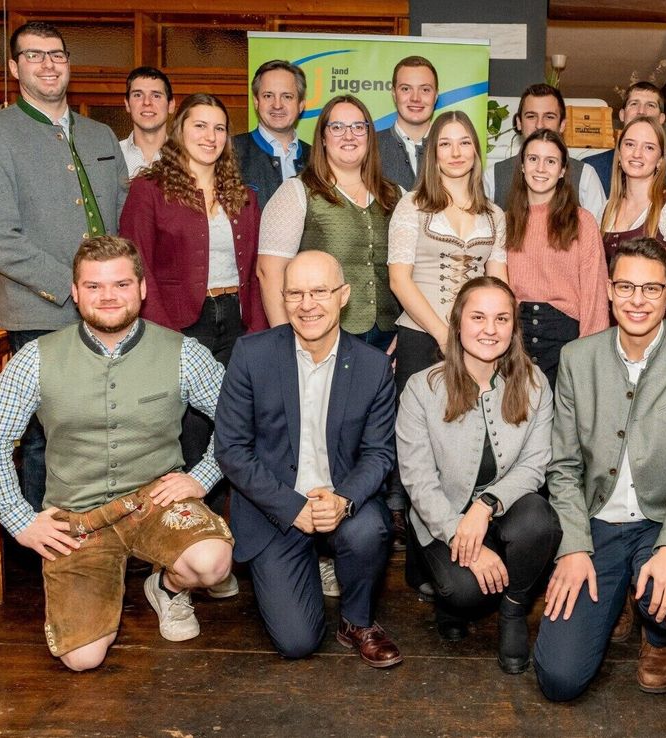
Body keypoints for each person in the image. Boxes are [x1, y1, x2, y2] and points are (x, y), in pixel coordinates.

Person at [0, 236, 233, 671]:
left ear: (142, 289)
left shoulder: (183, 352)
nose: (108, 296)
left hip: (156, 501)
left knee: (212, 562)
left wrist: (202, 475)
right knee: (82, 659)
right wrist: (21, 521)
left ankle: (167, 587)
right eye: (93, 286)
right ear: (75, 293)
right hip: (76, 516)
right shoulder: (36, 358)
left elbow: (240, 421)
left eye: (121, 284)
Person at [533, 237, 666, 701]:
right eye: (625, 287)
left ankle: (658, 637)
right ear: (607, 289)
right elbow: (561, 465)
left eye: (650, 289)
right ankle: (617, 588)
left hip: (660, 520)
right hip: (596, 522)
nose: (637, 301)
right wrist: (574, 546)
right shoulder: (577, 358)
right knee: (559, 680)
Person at [0, 21, 128, 512]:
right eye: (34, 55)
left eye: (56, 54)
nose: (48, 64)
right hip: (42, 312)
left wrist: (118, 290)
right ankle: (44, 556)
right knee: (45, 441)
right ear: (15, 68)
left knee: (110, 433)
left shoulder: (101, 134)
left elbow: (123, 219)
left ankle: (108, 538)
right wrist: (75, 288)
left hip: (114, 312)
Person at [214, 251, 403, 665]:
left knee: (368, 529)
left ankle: (356, 621)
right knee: (297, 643)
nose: (307, 304)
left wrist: (342, 499)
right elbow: (230, 449)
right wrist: (291, 505)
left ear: (343, 296)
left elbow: (378, 453)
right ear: (282, 299)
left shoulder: (372, 367)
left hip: (342, 503)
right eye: (295, 293)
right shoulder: (252, 355)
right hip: (274, 509)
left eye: (320, 291)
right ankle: (310, 565)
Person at [120, 94, 267, 566]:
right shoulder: (149, 189)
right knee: (187, 434)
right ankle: (183, 548)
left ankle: (222, 541)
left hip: (237, 319)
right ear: (180, 130)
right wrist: (165, 336)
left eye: (220, 128)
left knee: (236, 428)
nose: (210, 136)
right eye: (200, 125)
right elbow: (135, 261)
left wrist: (259, 332)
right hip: (181, 321)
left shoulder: (243, 195)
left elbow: (256, 271)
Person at [397, 277, 562, 673]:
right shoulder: (422, 388)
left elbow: (536, 462)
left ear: (513, 328)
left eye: (502, 318)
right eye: (478, 317)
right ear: (457, 324)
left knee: (542, 522)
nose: (490, 329)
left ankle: (513, 610)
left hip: (500, 510)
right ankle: (446, 597)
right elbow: (417, 479)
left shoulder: (535, 383)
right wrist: (457, 529)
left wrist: (485, 506)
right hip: (443, 515)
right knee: (464, 593)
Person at [388, 110, 508, 573]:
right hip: (423, 337)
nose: (455, 153)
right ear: (432, 153)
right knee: (424, 453)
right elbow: (400, 279)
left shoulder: (493, 214)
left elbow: (498, 284)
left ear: (476, 152)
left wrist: (488, 333)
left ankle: (474, 544)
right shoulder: (412, 205)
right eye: (445, 144)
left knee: (469, 443)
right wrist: (444, 333)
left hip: (479, 341)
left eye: (464, 143)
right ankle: (425, 566)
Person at [257, 94, 402, 350]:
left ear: (370, 136)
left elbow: (413, 272)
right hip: (320, 336)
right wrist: (287, 345)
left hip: (388, 338)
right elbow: (269, 272)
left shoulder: (396, 194)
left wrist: (407, 336)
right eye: (337, 127)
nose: (349, 135)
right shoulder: (297, 192)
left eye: (359, 127)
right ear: (323, 138)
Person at [502, 129, 609, 386]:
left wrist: (590, 355)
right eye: (533, 159)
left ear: (562, 170)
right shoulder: (504, 221)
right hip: (515, 338)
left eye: (551, 161)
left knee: (563, 423)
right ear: (522, 166)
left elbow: (595, 295)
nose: (541, 168)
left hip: (566, 340)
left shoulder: (582, 222)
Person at [600, 116, 666, 324]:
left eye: (649, 148)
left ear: (661, 160)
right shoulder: (606, 209)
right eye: (630, 144)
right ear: (619, 153)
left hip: (656, 330)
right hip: (612, 330)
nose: (636, 154)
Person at [485, 83, 606, 219]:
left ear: (562, 125)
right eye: (531, 116)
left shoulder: (586, 176)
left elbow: (597, 234)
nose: (539, 125)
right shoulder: (493, 176)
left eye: (549, 117)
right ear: (519, 122)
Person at [233, 60, 310, 206]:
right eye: (268, 96)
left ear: (301, 104)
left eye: (287, 96)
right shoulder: (230, 152)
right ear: (256, 102)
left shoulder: (318, 159)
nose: (277, 105)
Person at [584, 81, 666, 193]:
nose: (641, 111)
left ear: (661, 119)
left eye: (650, 105)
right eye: (634, 104)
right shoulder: (592, 168)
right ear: (622, 115)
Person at [378, 55, 439, 192]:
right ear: (394, 94)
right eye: (406, 89)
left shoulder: (452, 150)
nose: (415, 98)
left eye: (425, 90)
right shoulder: (370, 147)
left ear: (435, 96)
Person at [119, 66, 174, 178]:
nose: (147, 102)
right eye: (138, 95)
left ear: (171, 105)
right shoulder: (113, 156)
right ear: (127, 104)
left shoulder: (187, 158)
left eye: (156, 96)